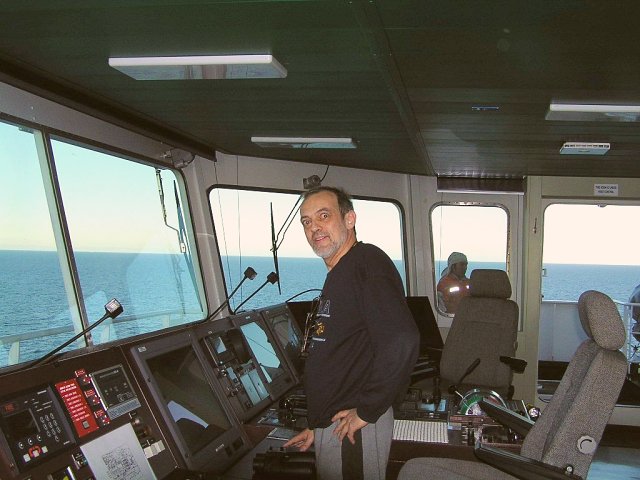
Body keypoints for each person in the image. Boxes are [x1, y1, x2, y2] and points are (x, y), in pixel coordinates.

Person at [283, 186, 419, 479]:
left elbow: (402, 340)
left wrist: (366, 411)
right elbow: (346, 353)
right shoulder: (343, 271)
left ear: (349, 219)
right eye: (306, 221)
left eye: (323, 215)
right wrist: (317, 425)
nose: (314, 226)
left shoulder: (366, 264)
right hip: (334, 423)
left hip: (351, 429)